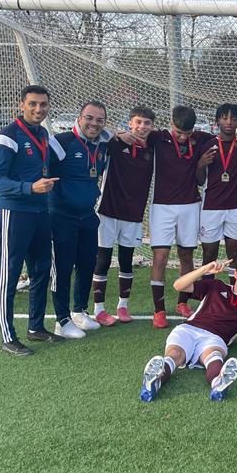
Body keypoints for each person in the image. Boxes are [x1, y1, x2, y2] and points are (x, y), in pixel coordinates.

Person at [0, 84, 62, 355]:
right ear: (21, 104)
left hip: (41, 213)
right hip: (15, 213)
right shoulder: (8, 135)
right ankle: (8, 338)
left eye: (43, 104)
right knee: (8, 273)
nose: (38, 109)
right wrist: (29, 188)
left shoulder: (43, 133)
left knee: (41, 269)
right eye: (33, 104)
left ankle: (36, 327)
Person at [138, 255, 237, 403]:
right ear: (234, 273)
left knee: (214, 357)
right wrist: (205, 269)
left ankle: (218, 384)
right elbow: (178, 285)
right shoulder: (216, 286)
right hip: (189, 329)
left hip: (215, 338)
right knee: (174, 354)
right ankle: (153, 381)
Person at [147, 105, 217, 328]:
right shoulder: (158, 138)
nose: (183, 137)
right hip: (162, 206)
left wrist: (200, 165)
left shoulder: (201, 139)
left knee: (186, 255)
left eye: (187, 133)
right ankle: (159, 310)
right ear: (171, 124)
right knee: (160, 256)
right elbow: (135, 133)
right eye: (179, 132)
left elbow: (225, 138)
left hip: (190, 206)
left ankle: (182, 302)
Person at [47, 100, 111, 339]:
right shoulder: (61, 142)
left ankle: (79, 311)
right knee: (62, 268)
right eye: (89, 118)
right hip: (61, 216)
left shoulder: (104, 144)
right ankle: (61, 320)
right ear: (79, 117)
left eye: (99, 120)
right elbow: (43, 171)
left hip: (87, 215)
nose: (94, 123)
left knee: (86, 264)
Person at [91, 105, 155, 324]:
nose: (142, 126)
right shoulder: (115, 143)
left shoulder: (153, 146)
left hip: (134, 213)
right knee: (103, 259)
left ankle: (122, 306)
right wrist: (117, 133)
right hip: (107, 210)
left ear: (152, 126)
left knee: (127, 260)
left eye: (147, 123)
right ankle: (99, 309)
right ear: (130, 123)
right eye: (138, 122)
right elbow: (98, 132)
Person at [199, 103, 237, 284]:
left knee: (234, 255)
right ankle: (205, 297)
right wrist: (201, 164)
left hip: (236, 207)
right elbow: (199, 180)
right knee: (209, 254)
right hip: (211, 207)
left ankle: (233, 296)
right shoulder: (208, 145)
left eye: (234, 118)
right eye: (225, 117)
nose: (229, 122)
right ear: (217, 120)